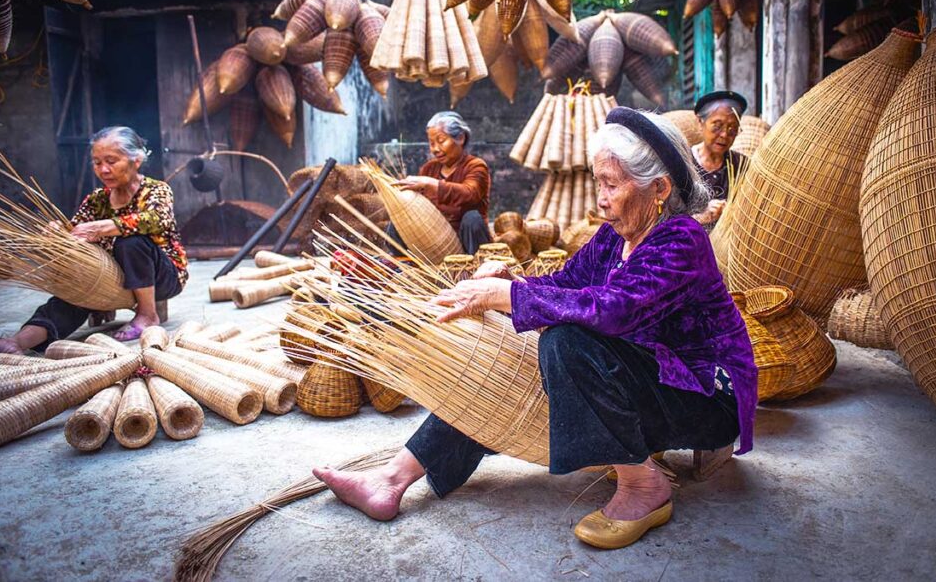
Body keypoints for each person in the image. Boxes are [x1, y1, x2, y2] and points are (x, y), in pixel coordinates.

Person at [315, 107, 757, 550]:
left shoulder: (682, 240)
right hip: (648, 380)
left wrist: (504, 297)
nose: (601, 198)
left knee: (567, 343)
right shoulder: (615, 235)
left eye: (611, 184)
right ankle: (392, 478)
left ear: (658, 189)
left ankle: (645, 486)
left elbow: (615, 310)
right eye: (597, 182)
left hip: (703, 397)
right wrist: (509, 282)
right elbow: (563, 283)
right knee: (503, 362)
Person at [0, 126, 187, 355]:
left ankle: (147, 315)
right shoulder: (97, 199)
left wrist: (100, 228)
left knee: (131, 241)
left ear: (136, 160)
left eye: (111, 161)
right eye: (97, 162)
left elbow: (156, 219)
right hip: (113, 279)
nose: (103, 169)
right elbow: (76, 229)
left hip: (162, 278)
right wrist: (59, 232)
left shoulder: (156, 190)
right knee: (70, 298)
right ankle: (17, 342)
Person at [389, 111, 492, 254]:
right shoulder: (429, 168)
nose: (435, 149)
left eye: (441, 140)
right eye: (431, 143)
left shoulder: (476, 166)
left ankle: (476, 267)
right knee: (398, 223)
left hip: (465, 240)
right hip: (434, 239)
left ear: (460, 138)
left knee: (472, 219)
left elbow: (470, 193)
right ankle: (406, 266)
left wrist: (432, 185)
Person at [689, 91, 748, 228]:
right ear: (700, 122)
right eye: (717, 126)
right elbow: (667, 218)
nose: (724, 134)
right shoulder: (683, 162)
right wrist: (700, 217)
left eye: (732, 129)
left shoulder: (742, 165)